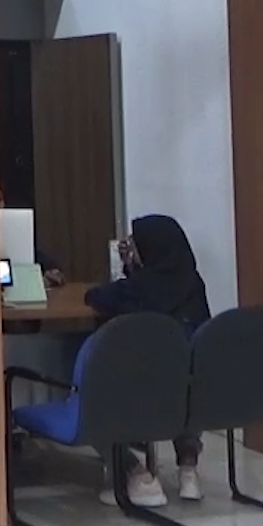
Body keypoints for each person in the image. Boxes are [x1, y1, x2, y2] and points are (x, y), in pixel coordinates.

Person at [84, 214, 213, 507]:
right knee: (184, 389)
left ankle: (138, 475)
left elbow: (96, 297)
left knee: (92, 399)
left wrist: (130, 270)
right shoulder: (194, 282)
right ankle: (189, 472)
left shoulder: (136, 288)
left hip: (138, 389)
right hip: (187, 390)